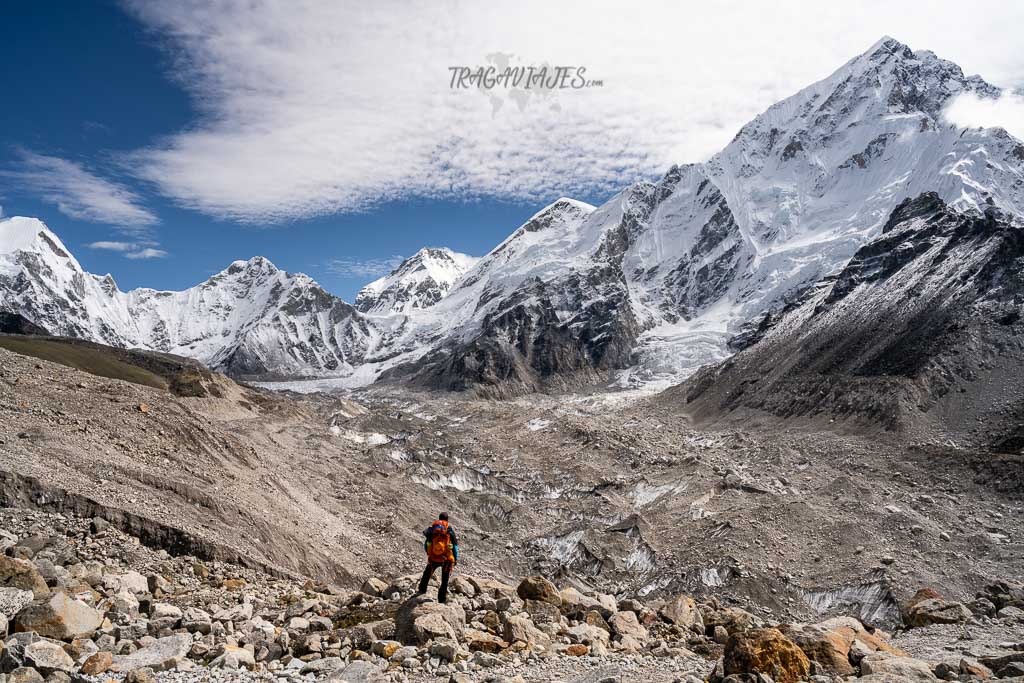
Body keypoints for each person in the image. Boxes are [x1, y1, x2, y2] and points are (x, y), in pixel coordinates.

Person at [416, 512, 459, 603]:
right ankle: (441, 599)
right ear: (447, 520)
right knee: (445, 579)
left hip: (433, 557)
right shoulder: (449, 530)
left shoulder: (432, 529)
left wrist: (429, 553)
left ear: (439, 518)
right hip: (446, 558)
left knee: (427, 573)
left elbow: (427, 543)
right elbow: (455, 546)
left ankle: (422, 589)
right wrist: (455, 558)